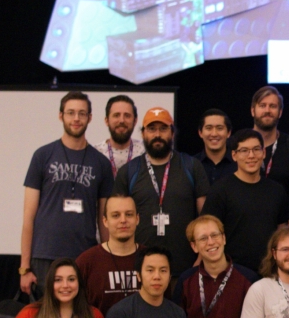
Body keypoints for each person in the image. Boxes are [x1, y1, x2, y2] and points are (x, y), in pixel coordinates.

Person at [20, 91, 114, 294]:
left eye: (82, 113)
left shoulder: (101, 163)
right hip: (45, 255)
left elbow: (104, 220)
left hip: (84, 255)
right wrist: (24, 268)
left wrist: (106, 260)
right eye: (71, 113)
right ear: (60, 115)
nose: (76, 118)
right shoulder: (42, 156)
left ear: (90, 117)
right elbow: (29, 216)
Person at [113, 107, 210, 279]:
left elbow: (206, 218)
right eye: (151, 129)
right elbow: (117, 220)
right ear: (143, 134)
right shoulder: (129, 171)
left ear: (172, 133)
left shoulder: (192, 166)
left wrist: (201, 258)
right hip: (141, 271)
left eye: (163, 129)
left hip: (186, 270)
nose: (157, 134)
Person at [203, 129, 289, 271]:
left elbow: (282, 232)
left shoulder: (277, 190)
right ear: (234, 155)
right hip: (231, 272)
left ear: (264, 153)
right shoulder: (220, 190)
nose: (251, 155)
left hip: (269, 271)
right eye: (244, 150)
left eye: (256, 149)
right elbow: (208, 231)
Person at [77, 194, 144, 315]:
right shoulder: (86, 262)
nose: (123, 220)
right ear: (105, 221)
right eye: (116, 215)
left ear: (137, 219)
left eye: (129, 214)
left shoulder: (151, 259)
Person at [249, 86, 289, 192]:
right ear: (253, 111)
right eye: (262, 105)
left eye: (272, 106)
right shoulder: (238, 144)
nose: (267, 110)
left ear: (280, 112)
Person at [94, 95, 145, 177]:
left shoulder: (145, 152)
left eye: (127, 116)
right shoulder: (95, 153)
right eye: (116, 115)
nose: (121, 120)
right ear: (107, 120)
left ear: (135, 121)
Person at [195, 109, 236, 186]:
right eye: (208, 128)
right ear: (200, 133)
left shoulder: (239, 164)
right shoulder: (191, 165)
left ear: (228, 133)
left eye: (220, 128)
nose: (214, 134)